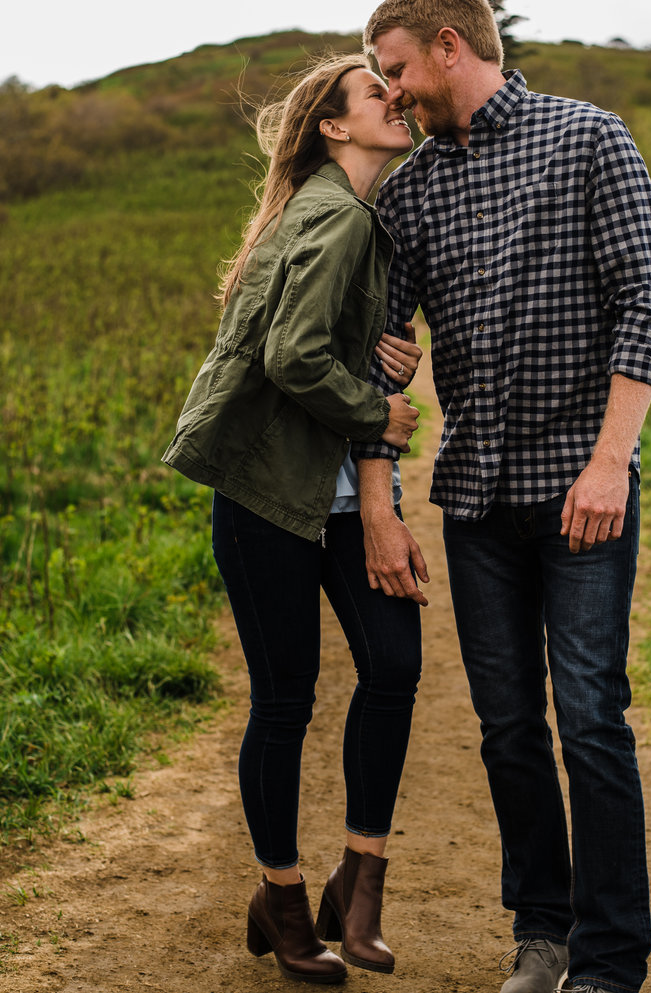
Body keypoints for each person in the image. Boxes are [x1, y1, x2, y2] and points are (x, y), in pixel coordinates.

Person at [351, 0, 651, 993]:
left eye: (396, 71)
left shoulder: (589, 139)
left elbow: (645, 306)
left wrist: (608, 461)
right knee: (505, 728)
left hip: (583, 493)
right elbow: (376, 359)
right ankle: (541, 934)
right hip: (477, 505)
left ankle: (610, 959)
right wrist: (376, 497)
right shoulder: (408, 193)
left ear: (449, 46)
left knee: (588, 715)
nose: (391, 94)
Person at [162, 53, 430, 986]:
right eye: (375, 96)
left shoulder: (346, 213)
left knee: (394, 664)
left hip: (335, 496)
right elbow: (291, 354)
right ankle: (282, 896)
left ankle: (360, 877)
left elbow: (326, 343)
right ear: (333, 125)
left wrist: (381, 362)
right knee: (285, 702)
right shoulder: (336, 213)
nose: (396, 104)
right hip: (267, 496)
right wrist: (376, 411)